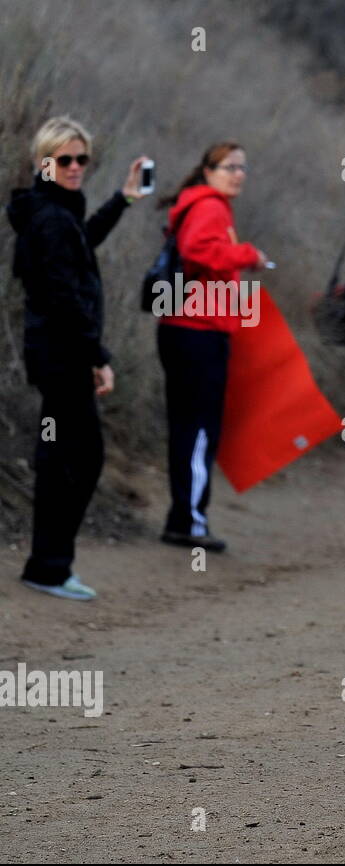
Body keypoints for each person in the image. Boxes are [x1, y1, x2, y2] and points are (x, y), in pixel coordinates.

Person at [6, 117, 147, 600]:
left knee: (60, 457)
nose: (73, 167)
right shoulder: (49, 218)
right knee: (81, 459)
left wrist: (123, 199)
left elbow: (82, 245)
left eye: (80, 159)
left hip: (57, 354)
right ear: (43, 162)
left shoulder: (54, 212)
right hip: (63, 356)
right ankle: (48, 567)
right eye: (63, 159)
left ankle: (46, 564)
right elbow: (64, 296)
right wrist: (97, 356)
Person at [156, 142, 268, 552]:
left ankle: (181, 518)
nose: (237, 174)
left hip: (183, 326)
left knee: (188, 428)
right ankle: (190, 522)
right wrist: (248, 254)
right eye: (228, 167)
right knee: (200, 430)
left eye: (242, 167)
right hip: (198, 330)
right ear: (208, 170)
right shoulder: (210, 207)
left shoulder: (196, 203)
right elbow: (197, 250)